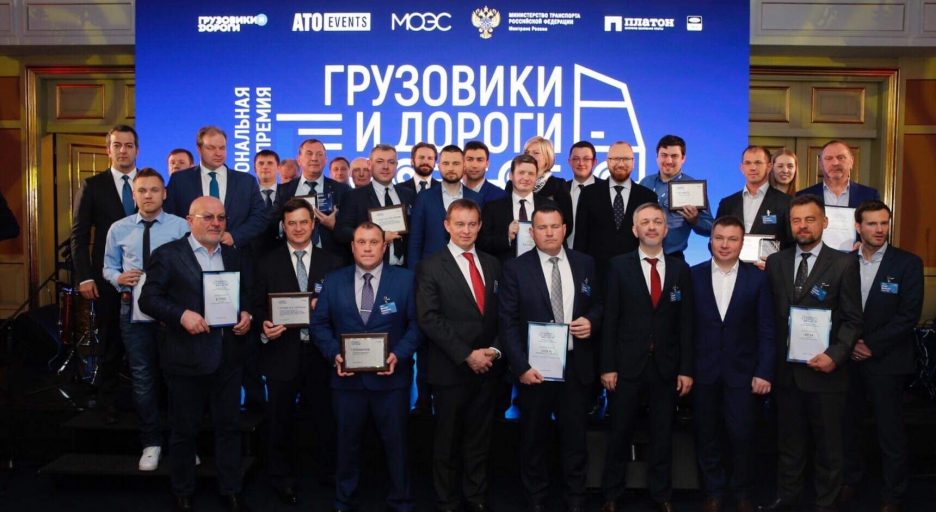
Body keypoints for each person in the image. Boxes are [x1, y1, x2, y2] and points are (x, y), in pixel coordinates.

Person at [139, 196, 253, 512]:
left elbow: (247, 295)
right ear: (190, 220)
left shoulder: (234, 255)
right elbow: (148, 300)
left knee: (229, 428)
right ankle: (183, 491)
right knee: (184, 431)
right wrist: (181, 315)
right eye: (208, 217)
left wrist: (247, 314)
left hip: (228, 356)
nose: (216, 223)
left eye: (221, 217)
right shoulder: (168, 255)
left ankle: (231, 490)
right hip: (185, 358)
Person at [762, 194, 863, 512]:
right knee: (788, 443)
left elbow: (853, 319)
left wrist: (836, 355)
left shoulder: (844, 263)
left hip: (826, 372)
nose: (802, 226)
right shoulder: (776, 262)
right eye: (796, 220)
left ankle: (825, 503)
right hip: (787, 372)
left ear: (824, 222)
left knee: (829, 446)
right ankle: (787, 498)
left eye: (809, 219)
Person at [311, 222, 421, 512]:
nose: (368, 248)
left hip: (391, 381)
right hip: (347, 382)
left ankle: (401, 500)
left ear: (384, 246)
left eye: (374, 242)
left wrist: (398, 354)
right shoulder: (334, 281)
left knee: (397, 445)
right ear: (352, 246)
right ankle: (344, 500)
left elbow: (417, 325)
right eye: (362, 242)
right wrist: (335, 354)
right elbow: (319, 324)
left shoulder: (406, 280)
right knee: (346, 445)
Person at [500, 204, 602, 512]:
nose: (549, 233)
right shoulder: (516, 268)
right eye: (542, 228)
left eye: (555, 226)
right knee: (534, 440)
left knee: (575, 440)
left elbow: (599, 304)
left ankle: (575, 499)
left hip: (576, 366)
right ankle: (537, 500)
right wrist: (521, 367)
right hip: (535, 370)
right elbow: (507, 322)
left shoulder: (586, 263)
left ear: (565, 229)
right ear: (531, 233)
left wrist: (592, 321)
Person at [600, 202, 694, 512]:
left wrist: (686, 369)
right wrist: (608, 366)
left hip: (666, 367)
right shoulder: (618, 266)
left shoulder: (681, 269)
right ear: (634, 229)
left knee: (662, 434)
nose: (651, 226)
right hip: (626, 366)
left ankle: (661, 494)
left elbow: (686, 324)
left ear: (666, 229)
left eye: (657, 221)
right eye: (645, 222)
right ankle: (611, 495)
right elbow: (611, 320)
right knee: (619, 432)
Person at [252, 198, 343, 505]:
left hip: (321, 354)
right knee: (279, 419)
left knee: (326, 417)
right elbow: (255, 305)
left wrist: (325, 308)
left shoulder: (333, 262)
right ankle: (281, 478)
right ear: (283, 226)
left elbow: (344, 309)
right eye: (292, 223)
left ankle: (328, 474)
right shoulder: (266, 262)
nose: (299, 228)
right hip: (282, 351)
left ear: (314, 224)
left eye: (304, 222)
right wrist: (263, 325)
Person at [415, 199, 502, 511]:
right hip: (450, 369)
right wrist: (467, 355)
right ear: (447, 226)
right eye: (459, 224)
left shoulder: (493, 264)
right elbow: (429, 318)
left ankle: (475, 498)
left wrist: (494, 350)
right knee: (447, 442)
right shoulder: (430, 266)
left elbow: (502, 315)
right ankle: (447, 501)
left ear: (480, 226)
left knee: (480, 440)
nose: (466, 230)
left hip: (488, 368)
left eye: (472, 224)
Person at [102, 168, 189, 471]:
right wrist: (117, 278)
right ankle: (151, 442)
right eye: (142, 190)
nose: (148, 195)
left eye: (154, 190)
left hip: (173, 312)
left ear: (164, 193)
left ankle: (182, 443)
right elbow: (108, 267)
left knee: (177, 378)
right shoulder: (118, 229)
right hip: (132, 311)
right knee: (142, 378)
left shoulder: (181, 227)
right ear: (134, 194)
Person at [842, 201, 923, 512]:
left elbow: (908, 316)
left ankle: (893, 495)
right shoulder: (844, 261)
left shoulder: (907, 263)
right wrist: (850, 344)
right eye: (872, 224)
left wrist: (870, 345)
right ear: (858, 227)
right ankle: (851, 481)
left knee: (890, 432)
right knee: (849, 426)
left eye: (884, 223)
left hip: (887, 361)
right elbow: (835, 309)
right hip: (848, 360)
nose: (879, 230)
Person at [689, 216, 774, 512]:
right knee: (707, 435)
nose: (725, 245)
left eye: (732, 239)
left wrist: (764, 372)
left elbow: (767, 329)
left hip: (744, 374)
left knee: (743, 436)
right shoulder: (693, 275)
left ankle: (742, 493)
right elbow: (685, 328)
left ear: (742, 243)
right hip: (703, 372)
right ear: (710, 240)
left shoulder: (758, 279)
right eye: (719, 238)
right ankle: (713, 492)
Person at [70, 124, 139, 424]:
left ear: (137, 149)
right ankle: (108, 402)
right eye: (117, 145)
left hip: (148, 279)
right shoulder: (93, 185)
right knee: (111, 341)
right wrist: (84, 277)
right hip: (106, 279)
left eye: (129, 145)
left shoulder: (150, 184)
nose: (123, 150)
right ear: (107, 150)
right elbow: (79, 235)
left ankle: (149, 402)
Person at [164, 126, 268, 250]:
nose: (218, 153)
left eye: (222, 148)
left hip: (236, 254)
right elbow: (169, 217)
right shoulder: (179, 180)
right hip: (190, 254)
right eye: (211, 148)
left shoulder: (246, 181)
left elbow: (260, 217)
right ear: (199, 149)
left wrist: (235, 236)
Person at [573, 141, 658, 281]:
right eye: (615, 159)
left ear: (633, 162)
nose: (620, 164)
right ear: (607, 161)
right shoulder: (589, 194)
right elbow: (581, 240)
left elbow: (652, 241)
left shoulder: (648, 197)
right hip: (597, 277)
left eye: (626, 159)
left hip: (636, 276)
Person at [336, 144, 415, 267]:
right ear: (369, 164)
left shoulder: (408, 194)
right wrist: (378, 236)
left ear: (396, 165)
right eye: (379, 162)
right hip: (368, 269)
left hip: (404, 270)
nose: (385, 167)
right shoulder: (354, 196)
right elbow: (342, 232)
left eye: (391, 162)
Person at [407, 144, 484, 270]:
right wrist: (414, 274)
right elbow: (415, 241)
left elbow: (480, 241)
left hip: (466, 269)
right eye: (446, 163)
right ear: (439, 166)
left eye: (456, 163)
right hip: (431, 270)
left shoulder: (477, 199)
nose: (451, 168)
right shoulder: (424, 197)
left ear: (464, 166)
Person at [639, 134, 714, 260]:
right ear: (657, 157)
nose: (669, 161)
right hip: (641, 257)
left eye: (674, 156)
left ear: (683, 158)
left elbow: (711, 228)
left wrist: (695, 220)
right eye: (664, 155)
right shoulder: (645, 182)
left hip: (673, 259)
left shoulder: (693, 188)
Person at [273, 139, 351, 259]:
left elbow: (352, 229)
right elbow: (272, 226)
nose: (314, 158)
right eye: (309, 153)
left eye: (319, 154)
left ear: (325, 160)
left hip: (332, 259)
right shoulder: (282, 191)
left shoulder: (342, 190)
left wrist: (334, 225)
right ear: (299, 159)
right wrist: (288, 224)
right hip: (291, 258)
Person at [716, 145, 793, 254]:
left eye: (758, 163)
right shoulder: (727, 204)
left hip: (770, 264)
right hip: (734, 264)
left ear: (769, 167)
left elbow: (792, 243)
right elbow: (714, 240)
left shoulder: (786, 202)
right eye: (747, 163)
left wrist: (776, 261)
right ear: (742, 168)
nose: (752, 168)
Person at [478, 155, 549, 262]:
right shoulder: (493, 208)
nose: (526, 178)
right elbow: (482, 243)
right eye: (521, 173)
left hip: (542, 267)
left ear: (536, 177)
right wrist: (507, 237)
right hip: (505, 269)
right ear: (511, 175)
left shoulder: (549, 206)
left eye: (531, 174)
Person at [797, 140, 880, 207]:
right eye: (829, 158)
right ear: (821, 164)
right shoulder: (802, 197)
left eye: (841, 158)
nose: (835, 163)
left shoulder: (870, 196)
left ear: (851, 162)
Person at [520, 136, 574, 231]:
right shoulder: (512, 184)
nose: (529, 156)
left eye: (536, 153)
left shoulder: (559, 185)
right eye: (527, 153)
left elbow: (567, 223)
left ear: (547, 158)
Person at [565, 140, 604, 248]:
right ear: (569, 162)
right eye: (576, 159)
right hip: (565, 253)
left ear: (594, 162)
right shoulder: (561, 189)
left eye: (586, 159)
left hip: (597, 254)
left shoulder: (605, 189)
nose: (581, 163)